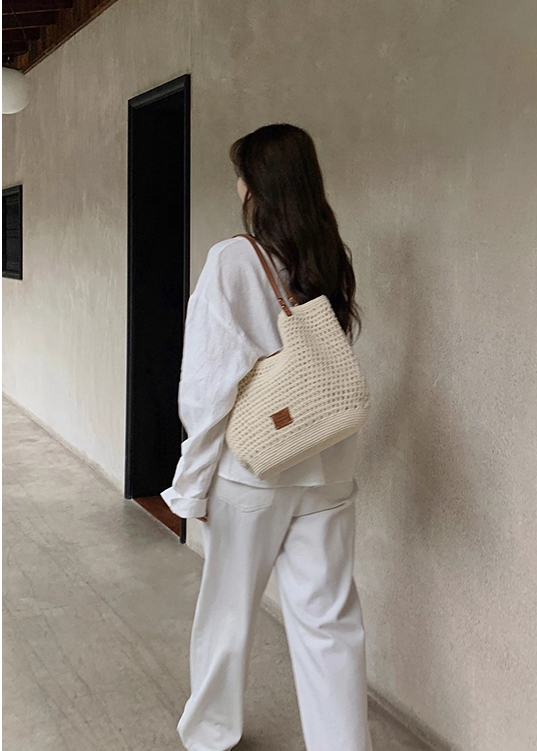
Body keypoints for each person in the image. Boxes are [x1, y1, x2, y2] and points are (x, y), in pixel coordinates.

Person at [161, 124, 373, 751]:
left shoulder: (235, 260)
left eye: (241, 173)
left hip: (252, 471)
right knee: (330, 624)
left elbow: (208, 387)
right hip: (327, 465)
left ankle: (212, 735)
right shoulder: (329, 255)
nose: (238, 185)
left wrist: (191, 483)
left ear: (257, 185)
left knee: (227, 615)